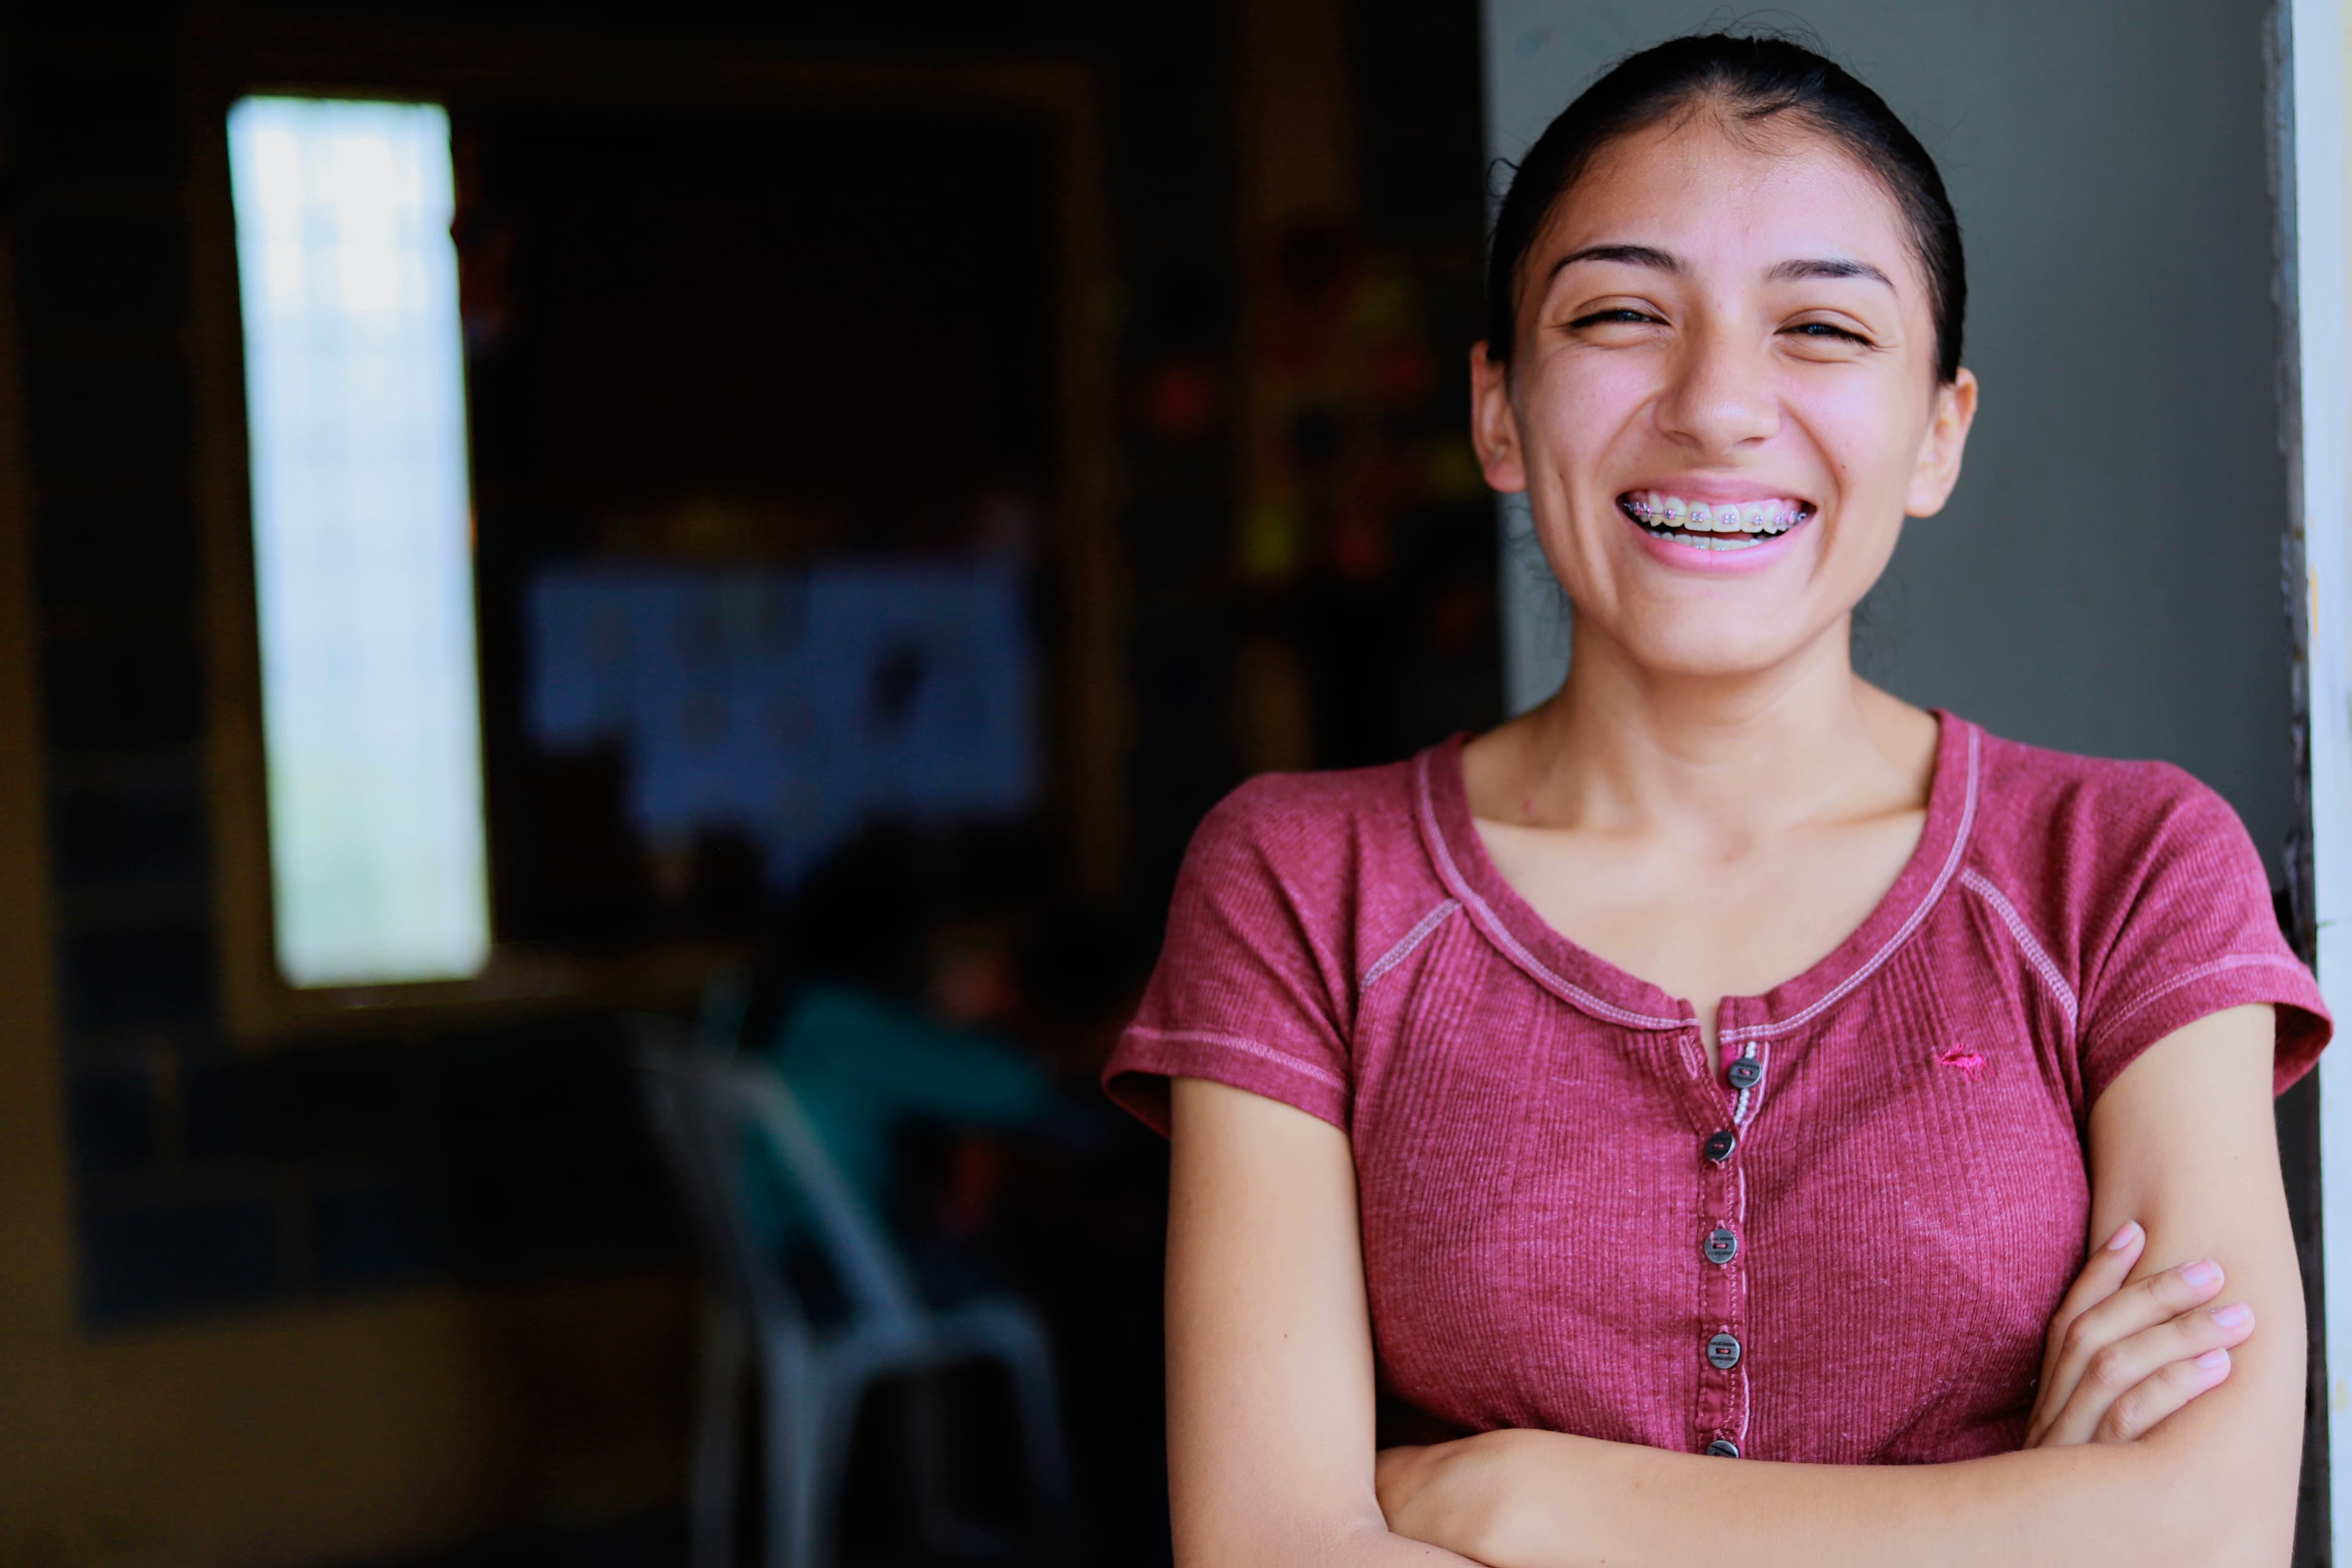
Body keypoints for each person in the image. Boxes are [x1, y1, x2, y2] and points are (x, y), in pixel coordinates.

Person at [1100, 33, 2333, 1568]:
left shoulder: (2127, 868)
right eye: (1622, 313)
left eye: (1821, 328)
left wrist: (1517, 1497)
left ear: (1939, 430)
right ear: (1498, 408)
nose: (1719, 404)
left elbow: (2206, 1532)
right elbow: (1277, 1548)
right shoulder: (1299, 881)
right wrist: (2031, 1515)